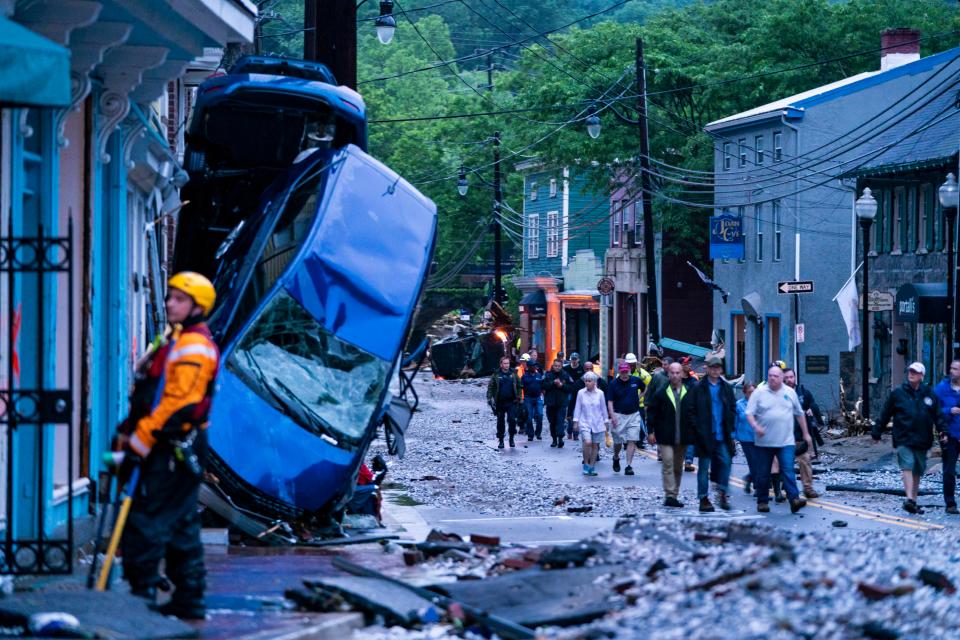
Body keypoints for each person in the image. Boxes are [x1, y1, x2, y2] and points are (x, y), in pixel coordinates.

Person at [119, 272, 220, 619]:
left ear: (197, 306)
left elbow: (178, 403)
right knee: (179, 522)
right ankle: (189, 597)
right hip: (169, 442)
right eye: (170, 297)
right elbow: (151, 392)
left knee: (146, 519)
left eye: (179, 299)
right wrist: (127, 431)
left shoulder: (193, 346)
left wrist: (140, 441)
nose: (169, 303)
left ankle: (142, 595)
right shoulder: (174, 338)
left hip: (173, 444)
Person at [872, 362, 947, 514]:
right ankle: (909, 498)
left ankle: (913, 500)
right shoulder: (898, 393)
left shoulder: (929, 394)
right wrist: (877, 431)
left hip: (922, 438)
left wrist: (943, 431)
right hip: (903, 436)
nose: (911, 373)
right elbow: (885, 413)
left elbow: (938, 415)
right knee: (908, 464)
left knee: (918, 469)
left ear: (921, 376)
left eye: (915, 372)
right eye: (910, 371)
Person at [746, 365, 812, 514]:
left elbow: (799, 413)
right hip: (764, 442)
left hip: (785, 441)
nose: (772, 378)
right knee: (763, 473)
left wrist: (806, 433)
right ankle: (762, 501)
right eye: (770, 375)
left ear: (782, 378)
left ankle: (794, 499)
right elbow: (749, 413)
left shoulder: (789, 393)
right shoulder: (759, 392)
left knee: (788, 470)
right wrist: (756, 426)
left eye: (776, 376)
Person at [646, 362, 696, 507]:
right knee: (667, 462)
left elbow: (694, 412)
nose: (675, 375)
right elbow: (652, 412)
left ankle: (674, 494)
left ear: (682, 374)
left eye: (677, 373)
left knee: (677, 466)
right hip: (665, 435)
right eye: (672, 373)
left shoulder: (689, 391)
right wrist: (650, 432)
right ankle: (669, 495)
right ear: (668, 374)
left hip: (683, 435)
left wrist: (695, 431)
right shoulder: (662, 392)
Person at [691, 356, 737, 512]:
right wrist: (697, 429)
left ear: (721, 369)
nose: (715, 370)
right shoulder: (698, 387)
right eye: (712, 367)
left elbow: (732, 408)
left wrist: (731, 428)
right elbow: (691, 410)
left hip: (722, 433)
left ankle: (722, 492)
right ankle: (703, 498)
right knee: (703, 468)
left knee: (727, 461)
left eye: (718, 368)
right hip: (705, 434)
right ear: (707, 368)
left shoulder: (726, 388)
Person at [784, 368, 821, 499]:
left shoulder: (803, 393)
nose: (789, 380)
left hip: (800, 434)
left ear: (795, 378)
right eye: (786, 377)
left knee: (805, 461)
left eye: (791, 377)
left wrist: (811, 409)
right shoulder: (779, 394)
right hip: (783, 436)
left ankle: (808, 488)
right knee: (785, 465)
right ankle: (783, 488)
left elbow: (814, 404)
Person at [606, 362, 645, 475]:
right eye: (622, 372)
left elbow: (644, 388)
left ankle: (629, 465)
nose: (624, 374)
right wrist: (612, 415)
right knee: (618, 442)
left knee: (632, 439)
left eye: (626, 371)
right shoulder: (613, 384)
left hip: (634, 414)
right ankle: (616, 457)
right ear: (619, 372)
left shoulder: (635, 380)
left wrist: (640, 397)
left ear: (629, 371)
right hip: (619, 415)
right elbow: (610, 401)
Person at [572, 371, 610, 476]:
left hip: (598, 422)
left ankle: (592, 466)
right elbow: (578, 407)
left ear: (594, 382)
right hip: (585, 422)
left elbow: (603, 408)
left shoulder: (600, 394)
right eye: (586, 381)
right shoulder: (580, 393)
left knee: (595, 445)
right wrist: (575, 422)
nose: (587, 383)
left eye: (589, 381)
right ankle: (586, 463)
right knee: (587, 442)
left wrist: (606, 422)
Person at [935, 360, 960, 515]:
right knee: (949, 470)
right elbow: (933, 408)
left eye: (956, 369)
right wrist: (949, 410)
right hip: (950, 434)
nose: (953, 371)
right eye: (951, 368)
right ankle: (950, 503)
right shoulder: (942, 388)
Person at [487, 355, 521, 449]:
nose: (507, 365)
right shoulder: (496, 374)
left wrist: (519, 397)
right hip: (500, 402)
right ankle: (501, 440)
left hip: (511, 402)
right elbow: (491, 386)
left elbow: (519, 385)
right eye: (505, 363)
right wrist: (489, 398)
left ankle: (511, 438)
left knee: (512, 420)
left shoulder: (513, 374)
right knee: (500, 422)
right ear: (501, 364)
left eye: (508, 363)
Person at [543, 359, 573, 448]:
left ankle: (560, 438)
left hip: (561, 403)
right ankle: (554, 440)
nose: (557, 367)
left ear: (561, 366)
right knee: (552, 422)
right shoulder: (548, 375)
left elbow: (571, 387)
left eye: (559, 366)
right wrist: (553, 383)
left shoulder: (565, 375)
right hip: (550, 403)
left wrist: (562, 385)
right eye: (555, 366)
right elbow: (544, 386)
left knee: (560, 420)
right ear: (553, 366)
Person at [735, 381, 758, 494]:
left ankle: (749, 478)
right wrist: (733, 437)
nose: (752, 395)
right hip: (745, 438)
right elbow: (735, 421)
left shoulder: (761, 404)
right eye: (749, 393)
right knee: (753, 462)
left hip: (759, 437)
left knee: (760, 463)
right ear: (745, 393)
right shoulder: (739, 404)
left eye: (754, 392)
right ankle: (758, 488)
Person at [520, 359, 545, 441]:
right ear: (529, 367)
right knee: (529, 417)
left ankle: (538, 433)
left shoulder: (539, 375)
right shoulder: (524, 377)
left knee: (540, 415)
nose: (535, 367)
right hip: (528, 398)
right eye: (533, 365)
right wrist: (521, 398)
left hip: (538, 398)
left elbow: (543, 387)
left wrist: (543, 396)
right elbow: (521, 388)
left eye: (535, 365)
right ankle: (530, 434)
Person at [563, 353, 585, 439]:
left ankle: (575, 433)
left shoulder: (581, 368)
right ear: (570, 359)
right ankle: (569, 430)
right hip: (569, 392)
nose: (574, 361)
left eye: (575, 359)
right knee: (570, 411)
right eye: (572, 359)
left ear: (578, 360)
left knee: (578, 412)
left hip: (580, 393)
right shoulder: (566, 368)